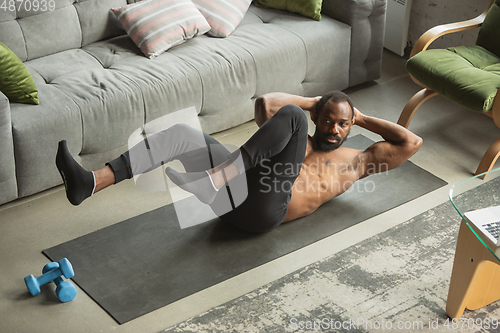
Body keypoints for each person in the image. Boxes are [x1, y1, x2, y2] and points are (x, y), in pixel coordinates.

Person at [55, 91, 422, 233]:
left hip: (264, 213)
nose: (334, 128)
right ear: (318, 118)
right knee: (183, 132)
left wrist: (358, 116)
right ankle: (92, 181)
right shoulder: (294, 138)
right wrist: (314, 101)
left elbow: (411, 143)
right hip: (231, 194)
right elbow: (265, 104)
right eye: (328, 119)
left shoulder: (357, 160)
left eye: (342, 124)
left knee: (290, 115)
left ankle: (214, 179)